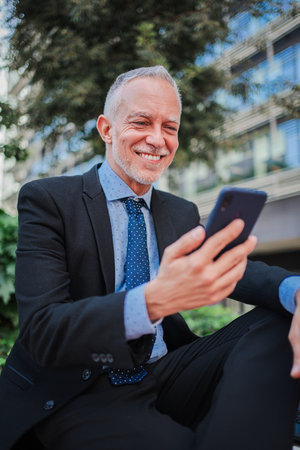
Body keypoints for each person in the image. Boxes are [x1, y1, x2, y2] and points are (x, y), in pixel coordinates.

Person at [1, 65, 300, 450]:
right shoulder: (49, 200)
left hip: (165, 371)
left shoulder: (180, 212)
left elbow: (239, 269)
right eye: (142, 122)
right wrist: (154, 301)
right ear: (107, 129)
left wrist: (296, 291)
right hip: (81, 386)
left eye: (170, 128)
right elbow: (42, 330)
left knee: (279, 315)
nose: (157, 140)